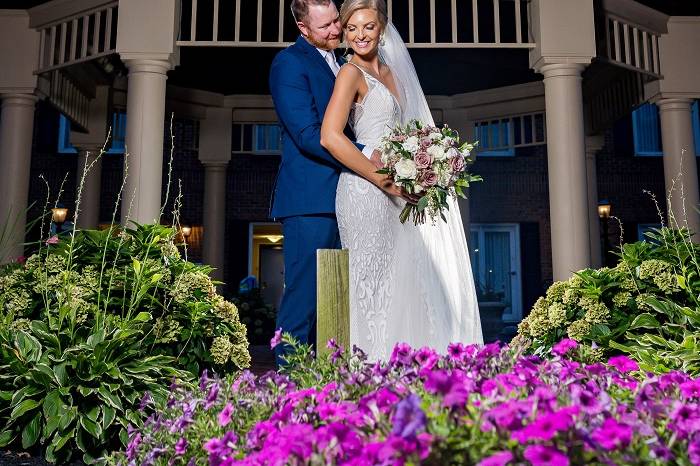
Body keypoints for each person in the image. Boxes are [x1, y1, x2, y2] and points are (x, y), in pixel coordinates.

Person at [320, 0, 483, 361]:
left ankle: (401, 367)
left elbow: (410, 131)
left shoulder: (393, 72)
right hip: (365, 189)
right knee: (370, 283)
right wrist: (381, 179)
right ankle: (366, 369)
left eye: (368, 27)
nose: (361, 35)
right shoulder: (350, 74)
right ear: (344, 33)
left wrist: (428, 165)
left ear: (382, 29)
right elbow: (330, 136)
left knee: (401, 279)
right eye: (352, 28)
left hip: (399, 190)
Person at [268, 0, 408, 365]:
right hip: (311, 202)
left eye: (336, 22)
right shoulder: (289, 64)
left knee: (347, 297)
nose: (336, 30)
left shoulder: (347, 64)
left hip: (355, 197)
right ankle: (287, 394)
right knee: (305, 299)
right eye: (325, 26)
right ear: (302, 29)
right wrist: (369, 152)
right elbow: (308, 133)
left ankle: (332, 385)